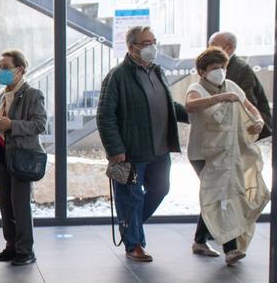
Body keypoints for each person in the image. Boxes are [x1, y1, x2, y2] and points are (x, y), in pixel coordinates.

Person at [96, 25, 184, 262]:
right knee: (131, 196)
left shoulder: (157, 72)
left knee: (161, 189)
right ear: (131, 47)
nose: (151, 47)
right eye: (146, 43)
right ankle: (133, 243)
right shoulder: (117, 76)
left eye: (153, 41)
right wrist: (115, 150)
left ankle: (130, 227)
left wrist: (191, 113)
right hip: (131, 153)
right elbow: (105, 116)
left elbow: (167, 106)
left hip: (160, 149)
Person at [184, 46, 269, 266]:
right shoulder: (196, 88)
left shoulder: (231, 86)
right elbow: (191, 106)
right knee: (220, 195)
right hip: (203, 154)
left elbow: (250, 107)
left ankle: (200, 240)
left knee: (218, 195)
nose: (219, 71)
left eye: (222, 67)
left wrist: (258, 122)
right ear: (202, 71)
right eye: (214, 68)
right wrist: (220, 98)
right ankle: (230, 249)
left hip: (227, 150)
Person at [0, 49, 47, 266]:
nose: (1, 72)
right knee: (5, 205)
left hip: (22, 157)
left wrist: (12, 125)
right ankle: (11, 246)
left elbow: (40, 124)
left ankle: (25, 250)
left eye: (6, 68)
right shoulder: (0, 95)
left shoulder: (32, 94)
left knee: (21, 205)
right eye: (0, 67)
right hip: (2, 156)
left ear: (19, 70)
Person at [208, 31, 272, 139]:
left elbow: (247, 104)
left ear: (229, 48)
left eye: (213, 45)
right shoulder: (222, 66)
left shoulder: (240, 68)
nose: (209, 49)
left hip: (246, 127)